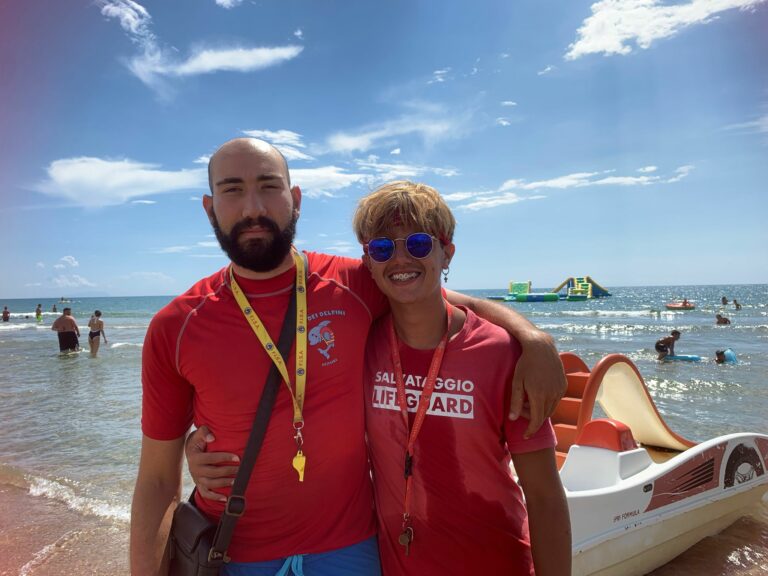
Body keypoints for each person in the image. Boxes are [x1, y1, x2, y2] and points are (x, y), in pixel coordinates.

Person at [131, 138, 566, 575]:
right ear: (209, 208)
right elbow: (155, 482)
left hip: (352, 551)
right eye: (232, 190)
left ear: (294, 198)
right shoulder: (177, 325)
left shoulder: (353, 285)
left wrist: (533, 338)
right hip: (234, 555)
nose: (252, 208)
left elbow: (428, 293)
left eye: (268, 186)